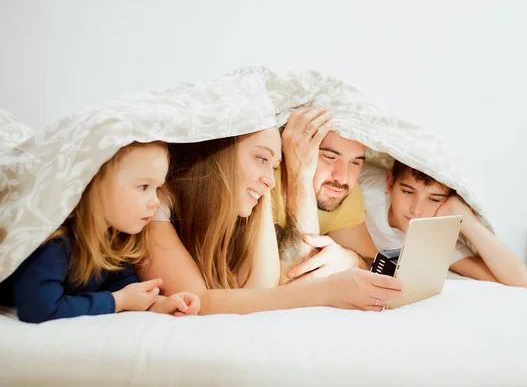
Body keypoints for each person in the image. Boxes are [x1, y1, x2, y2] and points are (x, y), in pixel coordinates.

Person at [139, 127, 403, 314]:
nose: (343, 176)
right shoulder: (156, 203)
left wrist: (350, 260)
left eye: (274, 166)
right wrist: (327, 291)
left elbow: (260, 285)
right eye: (261, 158)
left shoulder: (250, 199)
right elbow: (200, 302)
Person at [0, 141, 201, 323]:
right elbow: (39, 309)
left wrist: (160, 303)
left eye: (157, 188)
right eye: (143, 186)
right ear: (95, 183)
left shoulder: (116, 237)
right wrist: (117, 301)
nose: (155, 202)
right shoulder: (54, 241)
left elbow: (125, 288)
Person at [359, 160, 527, 288]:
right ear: (390, 183)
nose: (416, 210)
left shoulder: (433, 239)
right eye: (407, 191)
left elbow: (522, 281)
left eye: (434, 199)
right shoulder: (369, 186)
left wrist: (467, 220)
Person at [274, 108, 378, 284]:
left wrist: (351, 260)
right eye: (329, 157)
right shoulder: (264, 183)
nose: (343, 177)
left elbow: (375, 268)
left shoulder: (339, 190)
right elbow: (290, 284)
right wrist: (301, 176)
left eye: (355, 162)